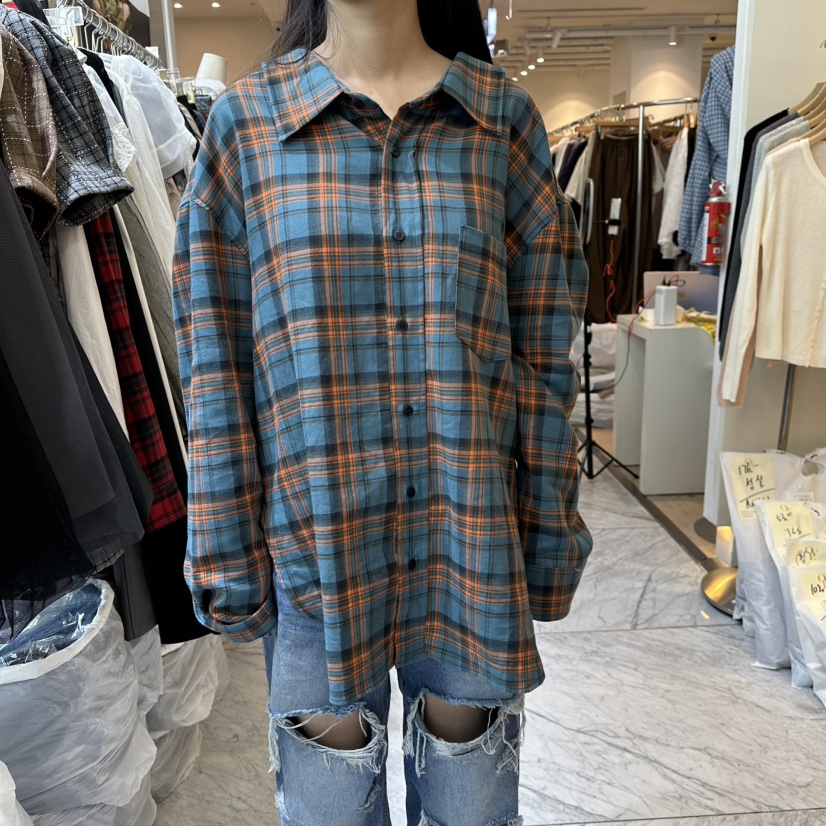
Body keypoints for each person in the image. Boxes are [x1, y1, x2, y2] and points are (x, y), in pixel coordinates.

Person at [172, 0, 593, 823]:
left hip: (467, 559)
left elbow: (545, 359)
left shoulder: (501, 123)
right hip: (315, 565)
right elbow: (215, 362)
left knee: (472, 813)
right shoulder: (246, 128)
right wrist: (225, 553)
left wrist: (550, 539)